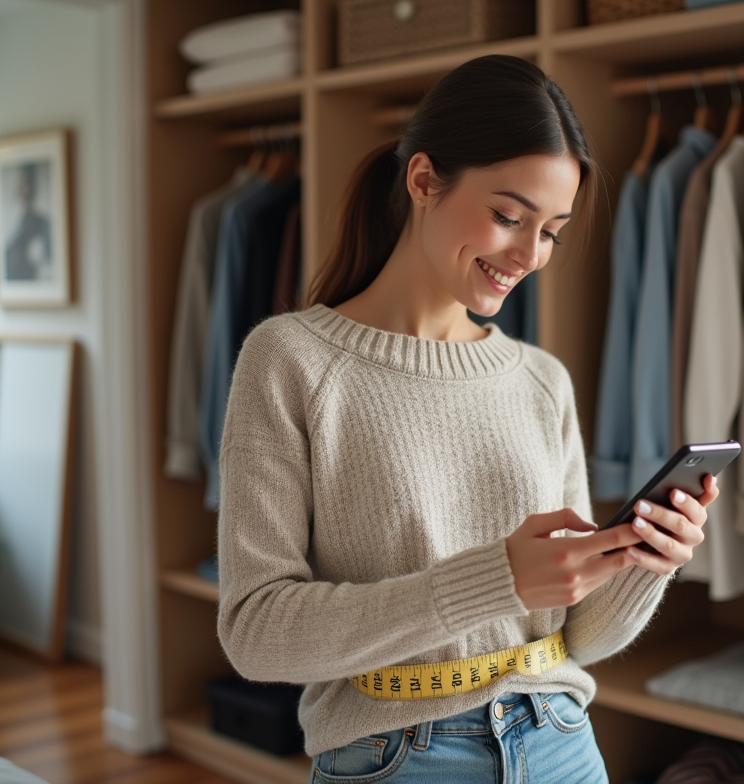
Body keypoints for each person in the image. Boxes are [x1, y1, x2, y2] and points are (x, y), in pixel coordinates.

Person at [216, 55, 718, 784]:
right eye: (509, 216)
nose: (529, 255)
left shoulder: (542, 381)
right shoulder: (290, 360)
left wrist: (644, 565)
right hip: (399, 756)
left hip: (562, 742)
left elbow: (577, 638)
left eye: (551, 230)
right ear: (423, 180)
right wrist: (494, 581)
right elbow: (256, 634)